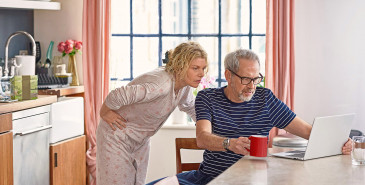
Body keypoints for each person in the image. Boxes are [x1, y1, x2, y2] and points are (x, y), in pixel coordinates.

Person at [147, 48, 353, 185]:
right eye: (246, 79)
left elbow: (308, 132)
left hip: (254, 180)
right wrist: (230, 143)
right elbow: (202, 138)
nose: (252, 86)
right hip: (209, 178)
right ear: (228, 75)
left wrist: (341, 142)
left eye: (256, 79)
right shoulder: (207, 98)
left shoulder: (266, 99)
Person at [96, 41, 208, 185]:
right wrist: (104, 111)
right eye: (195, 68)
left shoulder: (184, 86)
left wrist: (213, 132)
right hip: (115, 137)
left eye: (203, 68)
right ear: (181, 65)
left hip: (139, 141)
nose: (201, 74)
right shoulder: (161, 85)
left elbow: (192, 108)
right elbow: (118, 94)